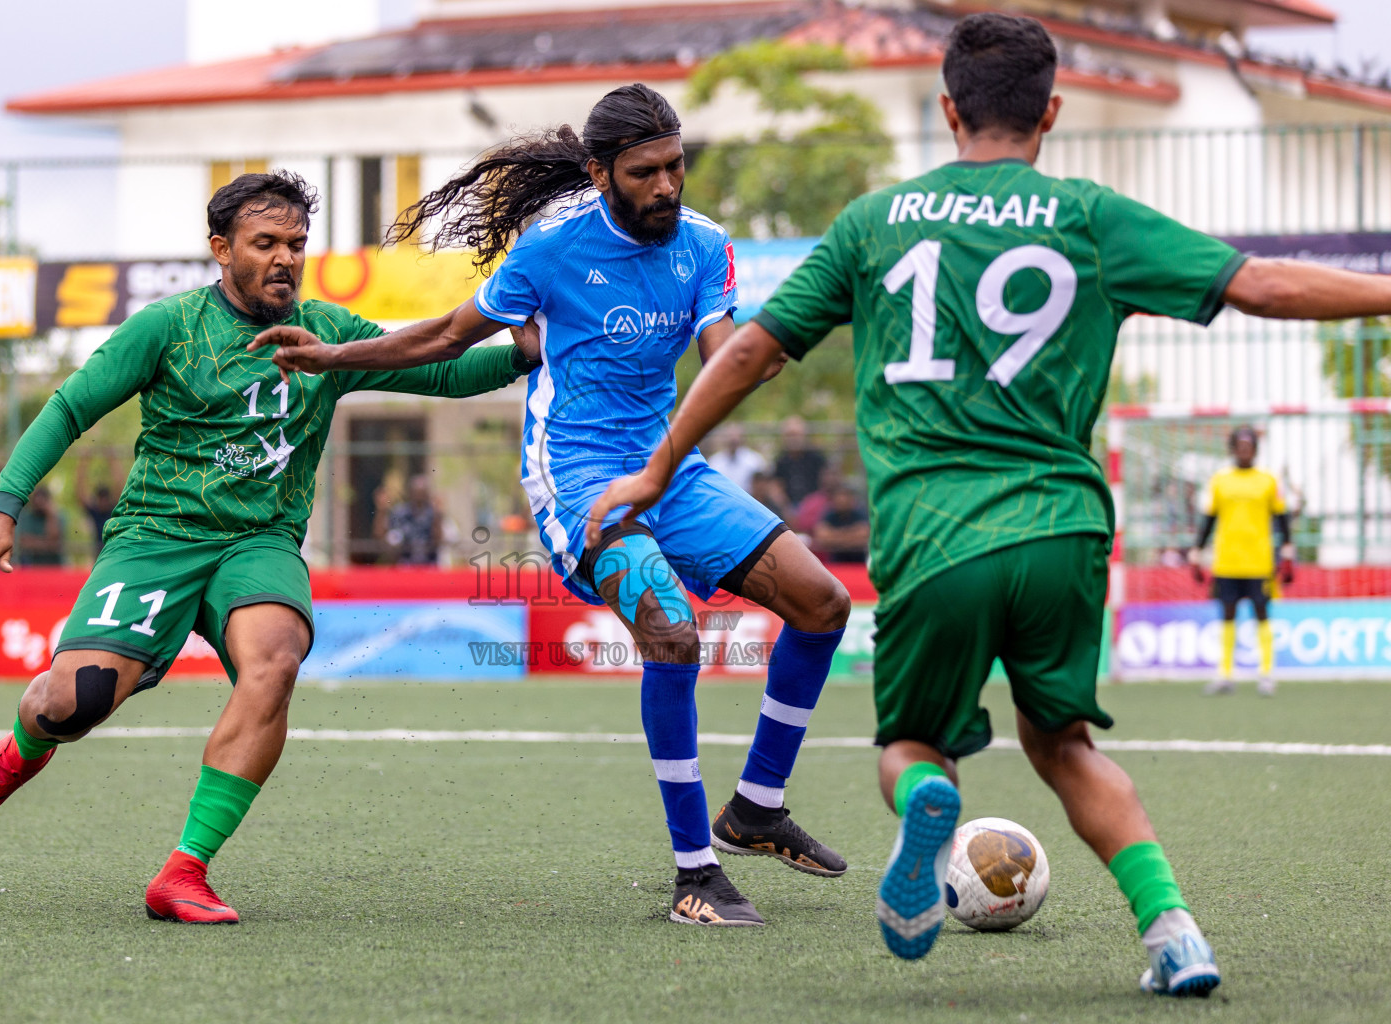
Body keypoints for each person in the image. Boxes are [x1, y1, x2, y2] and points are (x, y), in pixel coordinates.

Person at [587, 11, 1391, 995]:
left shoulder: (876, 222)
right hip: (1062, 528)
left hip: (934, 536)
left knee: (912, 746)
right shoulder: (1090, 216)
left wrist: (657, 467)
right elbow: (1259, 283)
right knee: (1065, 747)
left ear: (947, 109)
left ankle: (930, 800)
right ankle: (1174, 930)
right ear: (1051, 111)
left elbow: (752, 351)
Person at [253, 84, 853, 928]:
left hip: (670, 470)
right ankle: (696, 873)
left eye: (675, 165)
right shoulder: (551, 247)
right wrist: (334, 357)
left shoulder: (705, 245)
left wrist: (757, 356)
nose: (667, 185)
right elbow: (445, 336)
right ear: (600, 173)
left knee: (824, 603)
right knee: (672, 631)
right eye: (644, 172)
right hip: (575, 477)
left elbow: (728, 361)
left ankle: (757, 807)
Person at [0, 170, 539, 925]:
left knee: (276, 660)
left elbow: (442, 368)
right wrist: (3, 509)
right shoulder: (167, 327)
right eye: (266, 243)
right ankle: (24, 747)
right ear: (222, 249)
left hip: (260, 542)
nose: (285, 258)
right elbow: (68, 409)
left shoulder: (329, 333)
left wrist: (520, 355)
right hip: (156, 537)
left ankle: (184, 871)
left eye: (296, 243)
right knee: (71, 703)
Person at [1188, 426, 1292, 696]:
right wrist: (1197, 550)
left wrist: (1287, 550)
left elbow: (1281, 518)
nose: (1244, 451)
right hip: (1226, 561)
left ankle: (1266, 674)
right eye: (1240, 446)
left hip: (1259, 562)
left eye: (1249, 446)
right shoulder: (1220, 480)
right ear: (1233, 449)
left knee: (1262, 614)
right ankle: (1225, 674)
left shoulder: (1268, 480)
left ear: (1255, 449)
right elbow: (1209, 518)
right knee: (1227, 615)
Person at [378, 474, 443, 565]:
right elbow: (384, 536)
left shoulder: (433, 513)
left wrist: (437, 513)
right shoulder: (399, 513)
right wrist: (382, 510)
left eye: (422, 493)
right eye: (417, 493)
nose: (419, 497)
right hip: (405, 564)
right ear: (410, 493)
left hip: (429, 563)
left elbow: (439, 540)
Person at [771, 416, 825, 506]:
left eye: (796, 435)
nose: (793, 439)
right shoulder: (781, 461)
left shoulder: (817, 458)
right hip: (788, 506)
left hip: (815, 506)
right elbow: (775, 486)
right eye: (789, 435)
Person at [76, 455, 122, 558]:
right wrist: (84, 462)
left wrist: (113, 461)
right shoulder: (95, 511)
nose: (103, 503)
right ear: (97, 499)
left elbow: (120, 486)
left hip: (114, 551)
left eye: (105, 499)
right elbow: (80, 493)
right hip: (99, 553)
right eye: (101, 499)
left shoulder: (113, 510)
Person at [812, 482, 868, 565]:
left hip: (859, 563)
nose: (843, 500)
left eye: (846, 496)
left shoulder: (860, 514)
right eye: (840, 497)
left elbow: (864, 536)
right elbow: (822, 538)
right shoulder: (828, 515)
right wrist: (851, 535)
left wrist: (834, 536)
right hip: (834, 562)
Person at [706, 423, 767, 492]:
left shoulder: (754, 460)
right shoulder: (714, 462)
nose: (733, 440)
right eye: (729, 436)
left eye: (736, 437)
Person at [15, 487, 66, 567]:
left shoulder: (57, 517)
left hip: (55, 566)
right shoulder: (26, 517)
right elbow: (24, 542)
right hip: (33, 565)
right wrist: (47, 544)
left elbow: (55, 543)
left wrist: (50, 516)